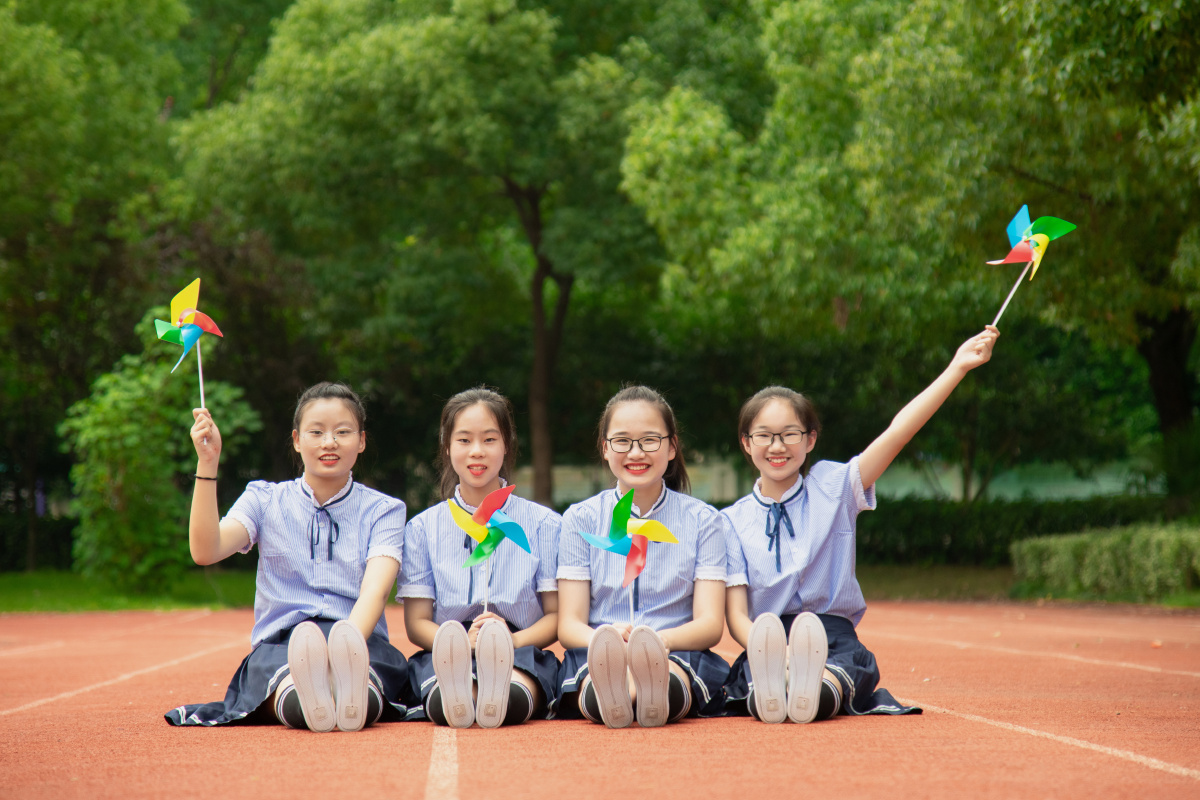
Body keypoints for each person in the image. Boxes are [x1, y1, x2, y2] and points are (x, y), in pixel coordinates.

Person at [722, 327, 1000, 723]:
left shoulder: (835, 486)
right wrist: (773, 651)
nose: (778, 446)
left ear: (811, 440)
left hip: (833, 640)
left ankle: (812, 691)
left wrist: (956, 368)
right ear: (747, 443)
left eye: (790, 435)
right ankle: (776, 686)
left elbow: (898, 434)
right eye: (764, 436)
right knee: (762, 680)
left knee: (831, 681)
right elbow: (735, 616)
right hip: (765, 643)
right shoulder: (728, 521)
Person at [165, 382, 410, 731]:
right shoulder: (264, 499)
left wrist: (343, 650)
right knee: (295, 698)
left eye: (343, 432)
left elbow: (375, 590)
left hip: (358, 641)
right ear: (297, 440)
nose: (329, 442)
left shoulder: (384, 509)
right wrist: (208, 462)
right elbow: (206, 551)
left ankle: (352, 692)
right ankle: (307, 697)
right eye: (317, 432)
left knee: (363, 694)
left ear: (362, 440)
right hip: (284, 644)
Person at [556, 386, 729, 728]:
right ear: (605, 448)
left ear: (672, 446)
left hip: (675, 649)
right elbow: (569, 625)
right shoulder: (580, 518)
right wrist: (605, 640)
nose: (636, 452)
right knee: (597, 682)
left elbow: (710, 625)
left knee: (672, 681)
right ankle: (621, 694)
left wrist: (658, 642)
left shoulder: (704, 520)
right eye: (622, 441)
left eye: (650, 440)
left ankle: (645, 694)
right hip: (600, 649)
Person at [398, 388, 561, 728]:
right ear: (447, 446)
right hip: (449, 644)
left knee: (513, 697)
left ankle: (500, 696)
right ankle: (462, 695)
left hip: (521, 646)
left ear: (507, 445)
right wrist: (460, 642)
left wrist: (507, 642)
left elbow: (555, 616)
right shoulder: (422, 529)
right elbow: (417, 624)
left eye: (489, 440)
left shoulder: (544, 524)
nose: (477, 451)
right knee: (447, 697)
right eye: (464, 440)